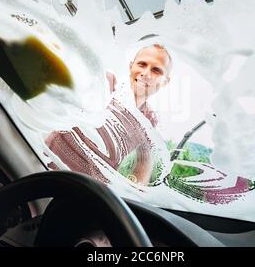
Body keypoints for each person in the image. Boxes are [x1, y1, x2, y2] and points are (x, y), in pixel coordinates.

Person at [45, 41, 172, 186]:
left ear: (165, 81)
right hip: (48, 165)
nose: (146, 73)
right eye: (142, 64)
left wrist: (135, 193)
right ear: (131, 66)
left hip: (90, 188)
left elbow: (143, 164)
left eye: (156, 70)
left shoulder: (149, 118)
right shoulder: (109, 83)